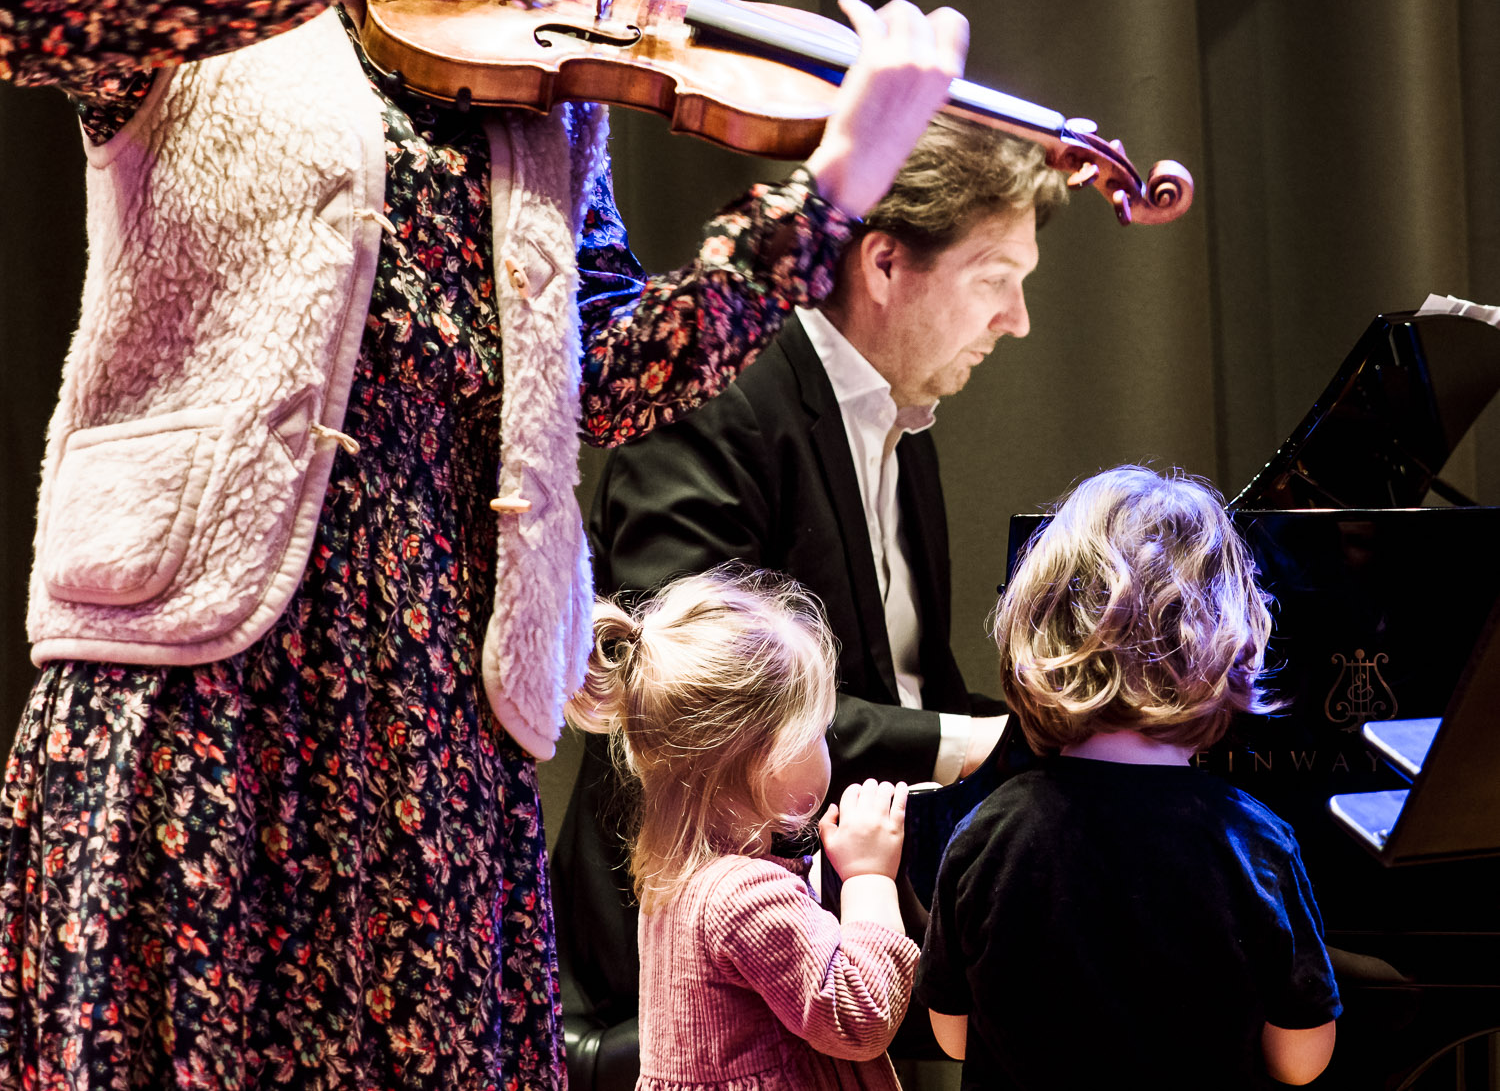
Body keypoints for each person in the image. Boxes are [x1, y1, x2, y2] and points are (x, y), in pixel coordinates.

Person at [0, 0, 970, 1087]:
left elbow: (619, 377)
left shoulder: (538, 81)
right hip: (199, 689)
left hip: (435, 729)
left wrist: (838, 184)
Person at [555, 114, 1066, 1027]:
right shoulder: (712, 398)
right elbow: (708, 703)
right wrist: (989, 747)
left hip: (851, 870)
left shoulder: (900, 405)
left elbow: (905, 682)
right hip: (703, 924)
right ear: (882, 265)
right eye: (997, 281)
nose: (1019, 322)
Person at [915, 466, 1341, 1089]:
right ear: (1227, 642)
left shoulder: (988, 835)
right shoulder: (1254, 843)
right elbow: (1301, 1062)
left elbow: (952, 1037)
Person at [565, 569, 917, 1091]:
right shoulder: (747, 895)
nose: (828, 747)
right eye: (817, 731)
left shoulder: (679, 882)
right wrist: (870, 877)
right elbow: (858, 1016)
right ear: (763, 760)